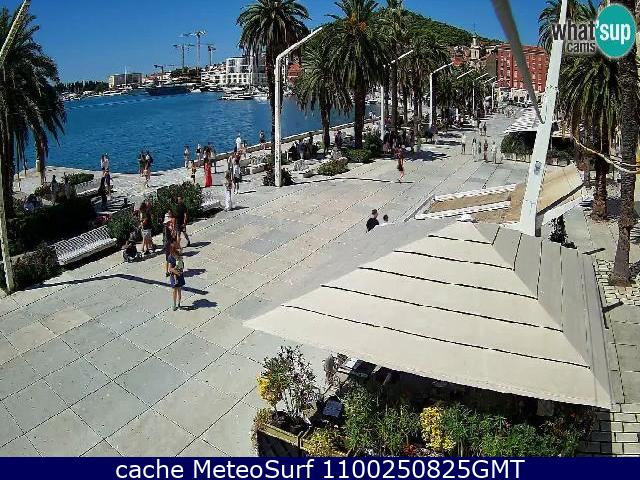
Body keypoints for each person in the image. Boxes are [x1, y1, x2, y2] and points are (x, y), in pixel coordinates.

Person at [167, 243, 185, 311]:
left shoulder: (179, 254)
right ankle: (174, 304)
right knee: (175, 291)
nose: (177, 249)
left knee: (179, 290)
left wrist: (181, 269)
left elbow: (182, 264)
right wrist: (176, 271)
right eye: (176, 248)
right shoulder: (170, 257)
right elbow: (170, 268)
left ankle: (179, 304)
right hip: (174, 275)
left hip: (179, 274)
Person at [163, 210, 177, 277]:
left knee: (168, 259)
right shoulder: (168, 228)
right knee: (171, 258)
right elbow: (173, 237)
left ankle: (167, 272)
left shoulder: (167, 228)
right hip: (170, 244)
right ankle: (171, 271)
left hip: (168, 244)